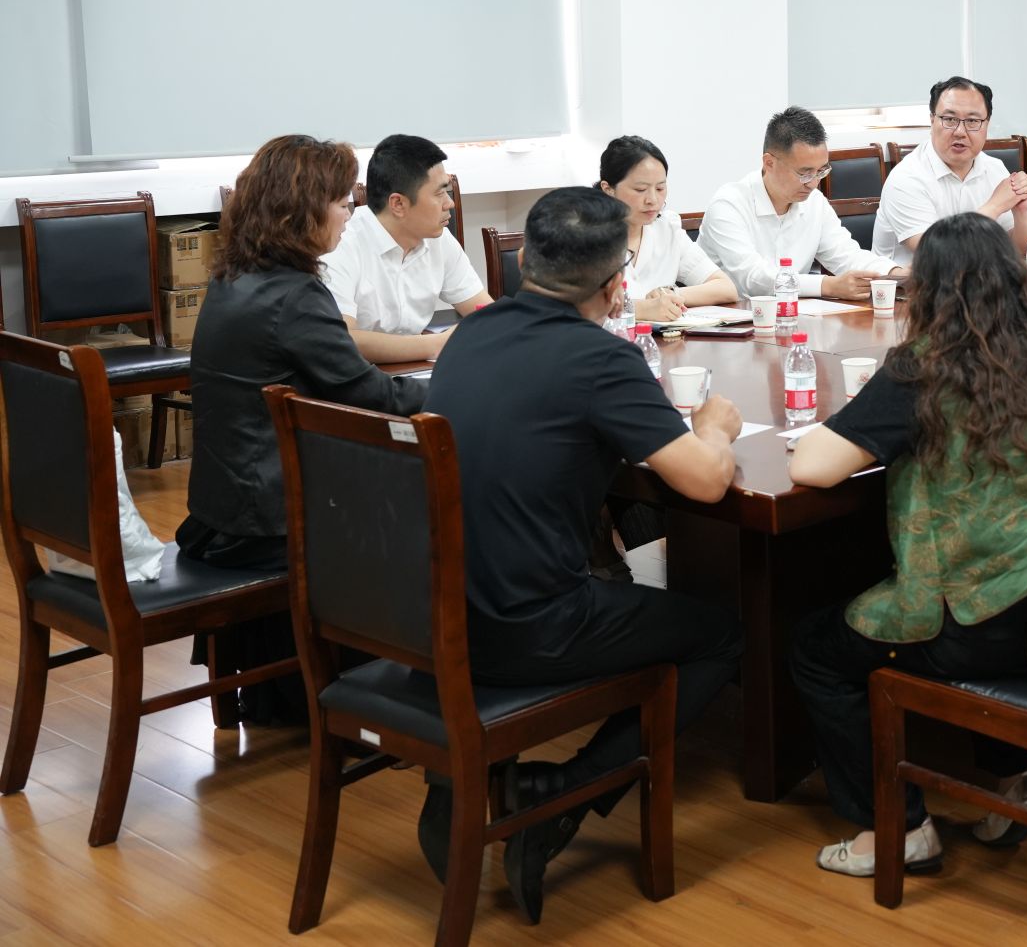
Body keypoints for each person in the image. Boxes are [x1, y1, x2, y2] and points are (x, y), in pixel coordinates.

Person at [424, 187, 744, 922]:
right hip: (530, 625)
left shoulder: (470, 333)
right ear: (615, 284)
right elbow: (704, 480)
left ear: (527, 261)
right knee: (721, 634)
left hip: (434, 610)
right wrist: (713, 427)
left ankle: (465, 784)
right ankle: (563, 796)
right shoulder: (600, 358)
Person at [788, 213, 1027, 876]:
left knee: (816, 649)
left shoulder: (924, 369)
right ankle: (1015, 780)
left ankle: (897, 827)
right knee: (980, 569)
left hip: (977, 623)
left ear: (927, 291)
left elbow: (812, 467)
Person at [178, 134, 428, 719]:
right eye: (342, 202)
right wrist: (456, 388)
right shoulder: (295, 296)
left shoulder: (234, 278)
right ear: (303, 212)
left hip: (220, 503)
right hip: (268, 519)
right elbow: (374, 396)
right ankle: (383, 695)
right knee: (427, 503)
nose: (350, 214)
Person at [699, 107, 903, 301]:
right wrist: (827, 286)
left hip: (792, 315)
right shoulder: (728, 205)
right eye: (804, 173)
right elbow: (753, 278)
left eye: (821, 171)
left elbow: (847, 255)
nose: (814, 183)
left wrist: (896, 273)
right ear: (769, 163)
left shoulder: (814, 202)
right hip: (729, 319)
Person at [320, 134, 490, 364]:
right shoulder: (341, 244)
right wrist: (436, 344)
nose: (449, 203)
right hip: (357, 377)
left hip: (414, 372)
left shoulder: (439, 239)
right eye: (439, 193)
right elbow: (343, 339)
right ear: (398, 204)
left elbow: (484, 312)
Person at [872, 76, 1027, 267]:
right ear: (932, 120)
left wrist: (1021, 212)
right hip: (912, 284)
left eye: (972, 121)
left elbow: (1022, 251)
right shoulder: (906, 178)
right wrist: (995, 206)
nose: (960, 131)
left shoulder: (994, 168)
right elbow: (936, 256)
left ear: (986, 125)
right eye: (950, 119)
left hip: (979, 280)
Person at [596, 135, 739, 320]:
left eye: (660, 188)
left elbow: (726, 288)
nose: (652, 200)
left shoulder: (667, 228)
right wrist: (643, 309)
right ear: (608, 189)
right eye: (640, 190)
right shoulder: (585, 234)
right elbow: (579, 307)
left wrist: (670, 294)